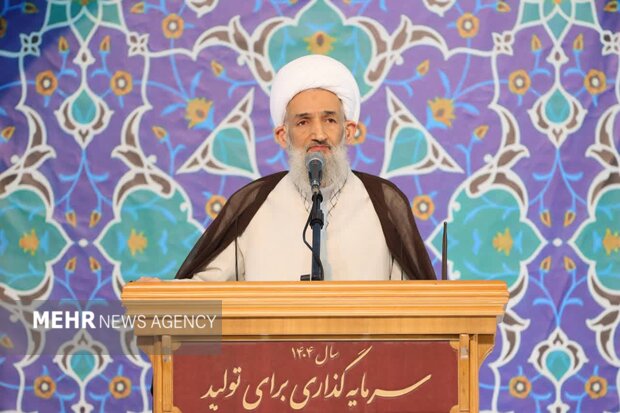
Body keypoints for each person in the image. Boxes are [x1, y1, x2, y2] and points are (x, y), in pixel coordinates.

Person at [175, 54, 436, 281]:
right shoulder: (253, 204)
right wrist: (162, 294)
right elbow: (202, 294)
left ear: (349, 131)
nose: (318, 134)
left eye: (330, 120)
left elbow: (415, 302)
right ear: (282, 136)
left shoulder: (384, 201)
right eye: (303, 122)